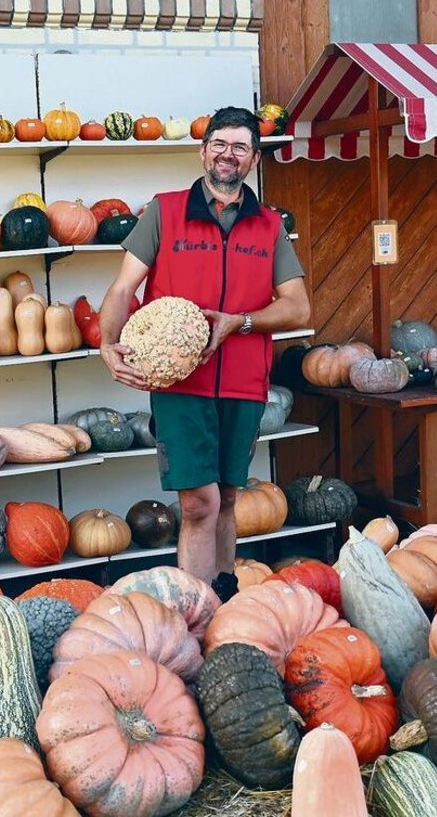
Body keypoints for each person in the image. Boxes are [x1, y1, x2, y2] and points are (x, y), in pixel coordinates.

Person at [98, 106, 312, 601]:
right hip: (181, 386)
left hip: (243, 381)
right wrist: (107, 345)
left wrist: (241, 322)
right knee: (198, 503)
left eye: (239, 147)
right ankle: (195, 610)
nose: (227, 154)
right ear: (203, 151)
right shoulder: (165, 211)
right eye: (219, 144)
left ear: (254, 159)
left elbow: (297, 307)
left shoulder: (268, 226)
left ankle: (224, 597)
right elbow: (123, 288)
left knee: (229, 497)